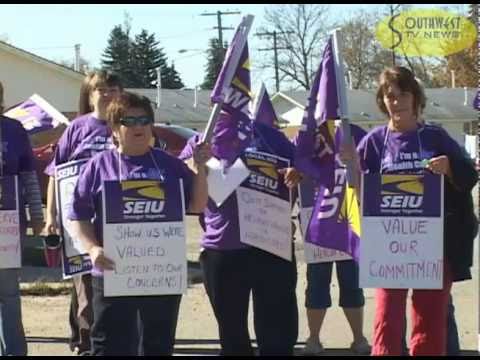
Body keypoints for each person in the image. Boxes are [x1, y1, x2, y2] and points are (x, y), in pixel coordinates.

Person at [343, 66, 477, 355]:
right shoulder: (375, 141)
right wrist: (350, 166)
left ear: (415, 98)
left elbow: (469, 176)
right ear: (383, 101)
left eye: (403, 94)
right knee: (386, 318)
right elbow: (355, 193)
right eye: (390, 96)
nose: (396, 101)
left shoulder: (435, 136)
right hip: (389, 247)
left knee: (429, 319)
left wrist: (449, 167)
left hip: (433, 246)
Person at [68, 91, 210, 356]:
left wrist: (200, 168)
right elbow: (78, 216)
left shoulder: (169, 165)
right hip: (111, 274)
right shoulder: (98, 167)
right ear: (114, 129)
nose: (139, 127)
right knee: (110, 346)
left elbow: (197, 205)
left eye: (144, 120)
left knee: (157, 346)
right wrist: (92, 249)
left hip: (159, 275)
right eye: (129, 121)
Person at [179, 113, 303, 356]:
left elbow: (305, 169)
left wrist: (297, 173)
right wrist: (196, 164)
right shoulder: (200, 140)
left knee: (278, 337)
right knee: (233, 337)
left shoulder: (270, 138)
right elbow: (182, 183)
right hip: (223, 250)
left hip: (272, 246)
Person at [43, 70, 122, 355]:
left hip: (118, 220)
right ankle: (88, 345)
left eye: (115, 88)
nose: (110, 93)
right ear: (90, 95)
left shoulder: (126, 126)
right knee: (85, 286)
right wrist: (51, 218)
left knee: (106, 285)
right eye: (102, 89)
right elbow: (55, 175)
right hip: (79, 221)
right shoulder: (77, 128)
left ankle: (93, 338)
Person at [301, 122, 371, 355]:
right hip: (317, 220)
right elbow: (295, 168)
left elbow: (372, 169)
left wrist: (356, 162)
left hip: (348, 221)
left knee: (351, 283)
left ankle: (359, 338)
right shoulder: (308, 135)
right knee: (317, 285)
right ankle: (313, 339)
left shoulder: (356, 133)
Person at [0, 80, 44, 355]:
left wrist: (38, 215)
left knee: (8, 295)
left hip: (8, 229)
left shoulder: (14, 130)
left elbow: (29, 176)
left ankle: (14, 352)